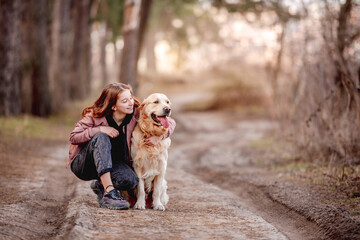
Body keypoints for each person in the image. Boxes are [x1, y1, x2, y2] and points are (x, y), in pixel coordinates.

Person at [67, 83, 176, 210]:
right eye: (125, 101)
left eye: (130, 98)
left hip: (113, 163)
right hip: (85, 164)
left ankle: (101, 185)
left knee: (130, 181)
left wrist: (159, 137)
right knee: (101, 137)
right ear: (113, 105)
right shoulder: (94, 115)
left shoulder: (135, 113)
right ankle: (109, 193)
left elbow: (171, 122)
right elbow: (74, 137)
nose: (131, 102)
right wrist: (99, 129)